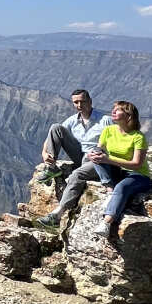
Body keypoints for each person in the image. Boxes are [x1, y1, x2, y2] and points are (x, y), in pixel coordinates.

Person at [36, 90, 111, 222]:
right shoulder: (73, 121)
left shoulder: (105, 120)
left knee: (76, 175)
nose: (79, 105)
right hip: (79, 154)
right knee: (55, 127)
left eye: (82, 101)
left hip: (96, 159)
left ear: (90, 101)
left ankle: (57, 215)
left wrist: (105, 156)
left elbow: (118, 141)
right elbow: (51, 138)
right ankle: (51, 168)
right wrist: (44, 153)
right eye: (76, 102)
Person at [90, 99, 151, 244]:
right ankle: (109, 189)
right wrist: (93, 154)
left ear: (128, 115)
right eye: (113, 109)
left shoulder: (138, 137)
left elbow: (137, 164)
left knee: (122, 187)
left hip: (138, 175)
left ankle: (106, 223)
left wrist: (108, 160)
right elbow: (99, 149)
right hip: (118, 171)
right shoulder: (108, 130)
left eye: (118, 110)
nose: (113, 111)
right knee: (96, 155)